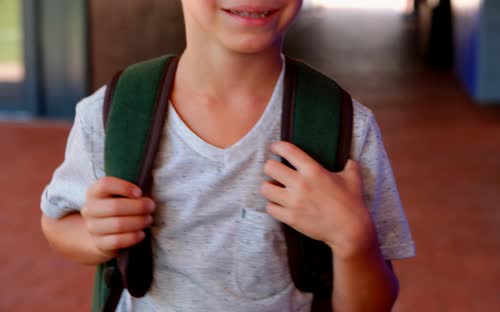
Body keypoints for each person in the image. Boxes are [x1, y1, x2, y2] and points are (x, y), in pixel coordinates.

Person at [40, 1, 415, 311]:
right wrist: (97, 235)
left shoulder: (345, 129)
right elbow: (57, 223)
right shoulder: (112, 113)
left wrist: (353, 239)